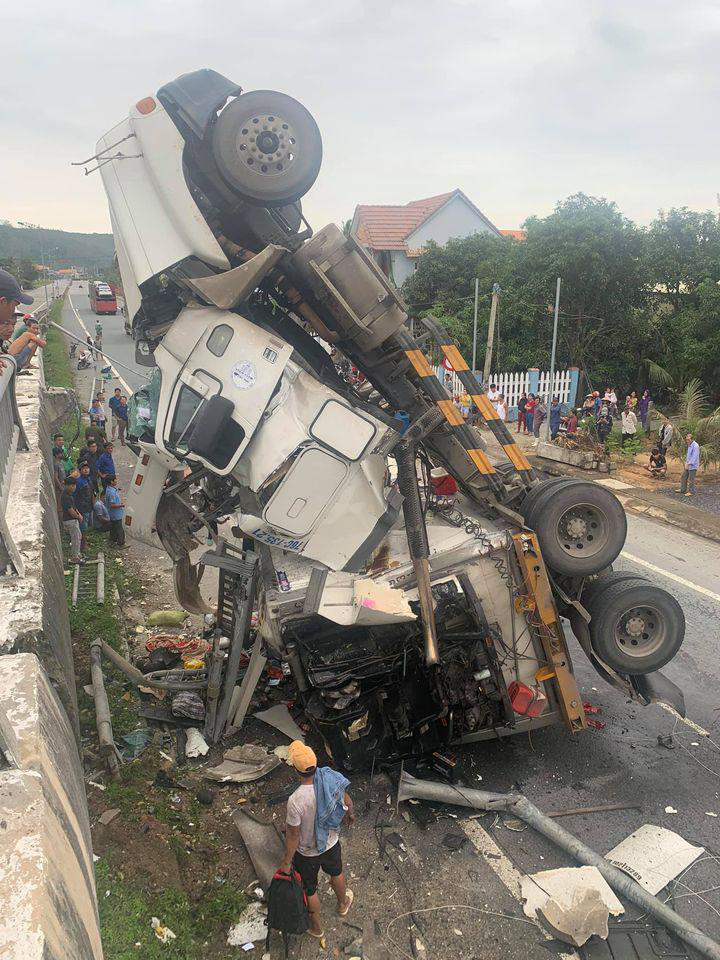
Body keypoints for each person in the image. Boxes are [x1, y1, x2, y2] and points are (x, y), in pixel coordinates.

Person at [280, 741, 354, 938]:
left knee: (310, 889)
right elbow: (346, 799)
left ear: (296, 769)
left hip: (307, 853)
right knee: (336, 873)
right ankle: (342, 904)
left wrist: (286, 863)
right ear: (315, 763)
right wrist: (350, 813)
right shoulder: (330, 779)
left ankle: (317, 929)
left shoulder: (296, 800)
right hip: (330, 843)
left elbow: (293, 835)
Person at [61, 477, 85, 565]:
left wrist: (79, 515)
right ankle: (75, 557)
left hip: (73, 519)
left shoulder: (69, 495)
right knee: (75, 538)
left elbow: (74, 507)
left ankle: (77, 554)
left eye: (74, 485)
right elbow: (71, 511)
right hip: (70, 520)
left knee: (78, 536)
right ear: (66, 486)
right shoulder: (65, 497)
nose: (74, 487)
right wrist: (78, 517)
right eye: (72, 485)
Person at [104, 476, 127, 546]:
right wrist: (121, 505)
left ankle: (112, 540)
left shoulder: (110, 490)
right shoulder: (111, 493)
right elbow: (112, 505)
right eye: (115, 480)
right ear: (111, 481)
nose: (116, 481)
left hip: (113, 514)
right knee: (119, 529)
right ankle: (121, 543)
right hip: (116, 514)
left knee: (113, 528)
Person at [52, 448, 66, 514]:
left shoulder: (61, 463)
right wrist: (60, 487)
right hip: (59, 489)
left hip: (63, 486)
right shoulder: (56, 464)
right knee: (60, 507)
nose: (62, 455)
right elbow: (55, 477)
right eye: (61, 453)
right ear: (57, 455)